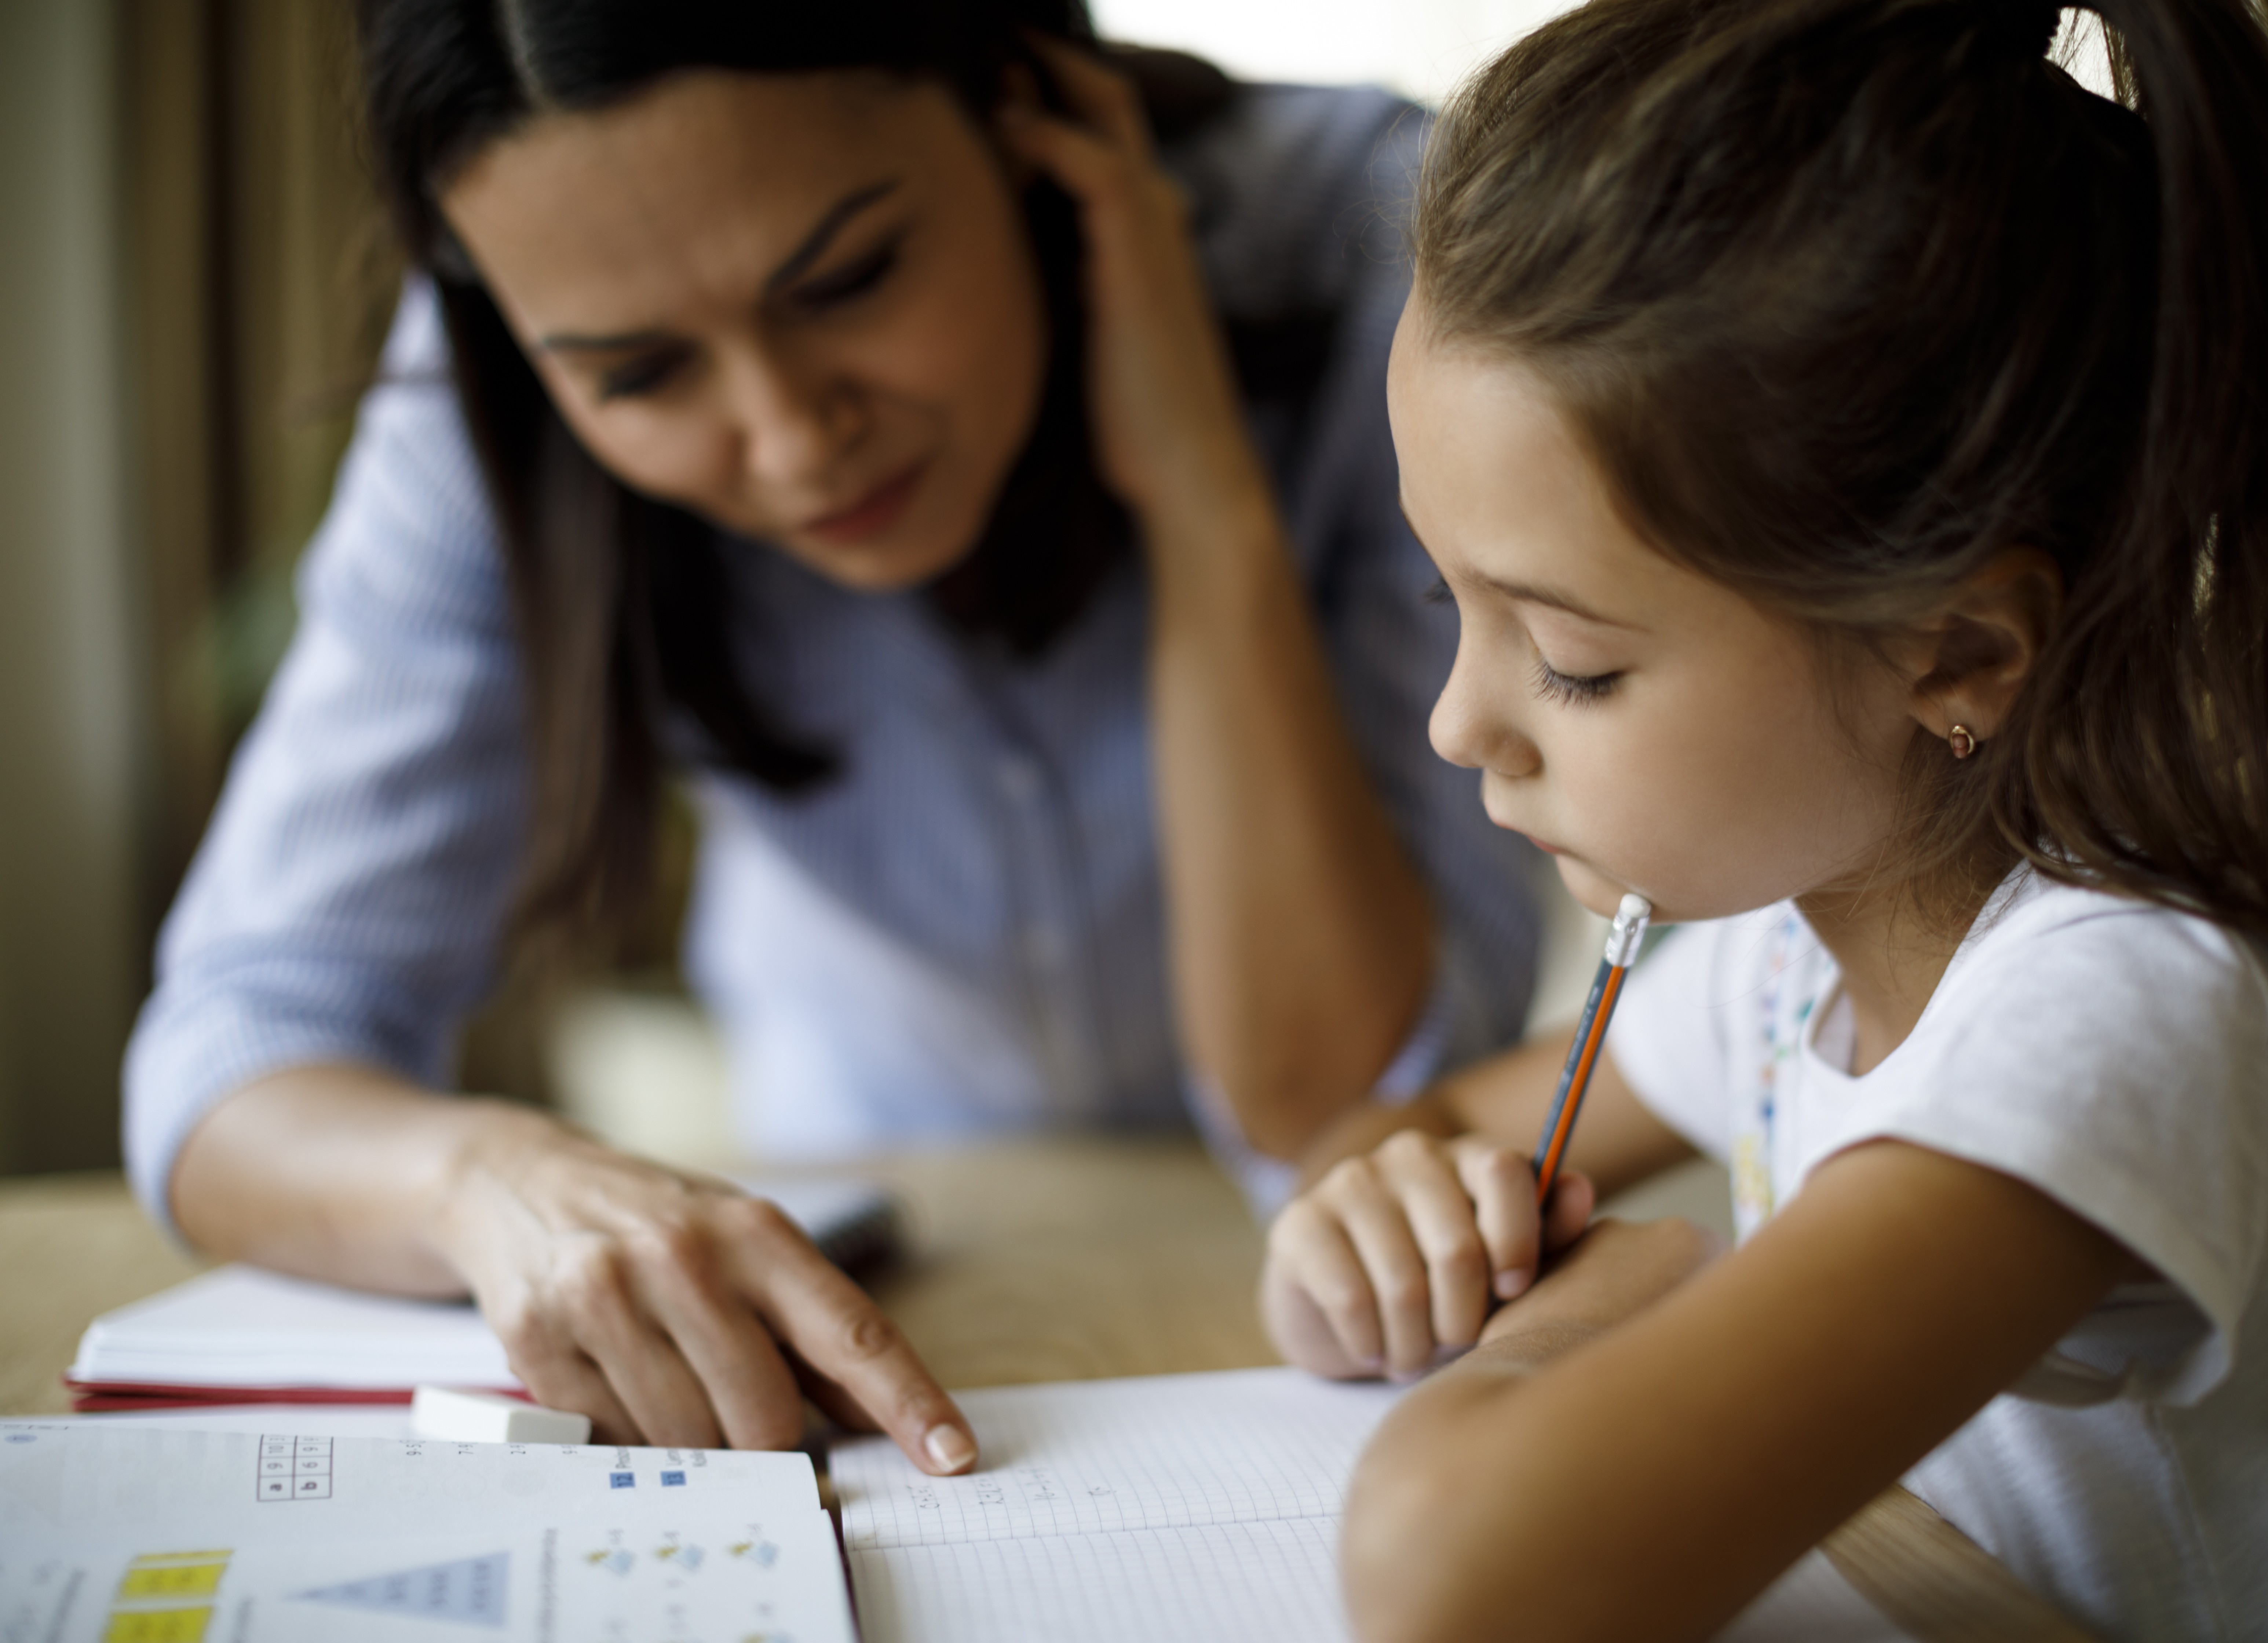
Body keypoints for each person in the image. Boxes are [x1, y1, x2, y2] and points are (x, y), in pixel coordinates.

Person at [124, 0, 1538, 1469]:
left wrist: (1201, 495)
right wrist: (493, 1176)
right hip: (898, 1238)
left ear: (1020, 110)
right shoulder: (514, 349)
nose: (794, 441)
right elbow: (242, 1040)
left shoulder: (1394, 241)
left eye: (850, 277)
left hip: (1336, 1278)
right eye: (643, 377)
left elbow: (1336, 1109)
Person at [1259, 0, 2268, 1637]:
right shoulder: (1788, 953)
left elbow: (1463, 1585)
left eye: (1569, 659)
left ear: (1955, 656)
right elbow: (1394, 1139)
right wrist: (1372, 1235)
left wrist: (1571, 1335)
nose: (1457, 721)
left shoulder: (2127, 1021)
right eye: (1444, 596)